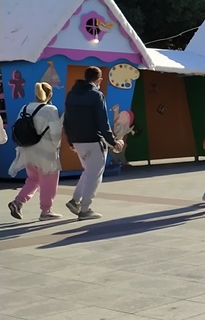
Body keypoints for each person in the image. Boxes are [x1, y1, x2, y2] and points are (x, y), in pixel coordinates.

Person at [63, 66, 123, 221]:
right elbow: (103, 121)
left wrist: (70, 140)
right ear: (99, 79)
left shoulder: (71, 95)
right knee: (95, 175)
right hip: (93, 140)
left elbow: (66, 120)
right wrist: (113, 141)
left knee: (88, 171)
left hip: (77, 140)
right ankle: (85, 209)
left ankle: (75, 201)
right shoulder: (96, 95)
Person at [8, 83, 64, 221]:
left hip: (27, 150)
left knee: (34, 179)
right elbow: (56, 133)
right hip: (45, 152)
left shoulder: (25, 107)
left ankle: (18, 202)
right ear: (50, 95)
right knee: (49, 180)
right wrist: (57, 146)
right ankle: (46, 210)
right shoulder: (51, 109)